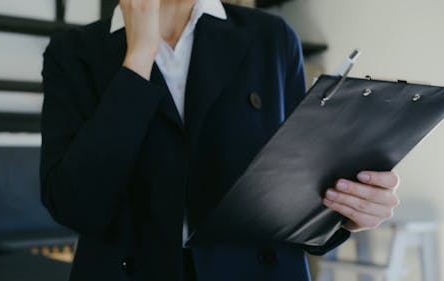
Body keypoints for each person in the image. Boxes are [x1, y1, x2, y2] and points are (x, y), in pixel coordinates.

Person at [39, 0, 400, 280]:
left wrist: (347, 210)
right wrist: (138, 58)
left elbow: (294, 187)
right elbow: (75, 205)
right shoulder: (73, 53)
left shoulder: (272, 39)